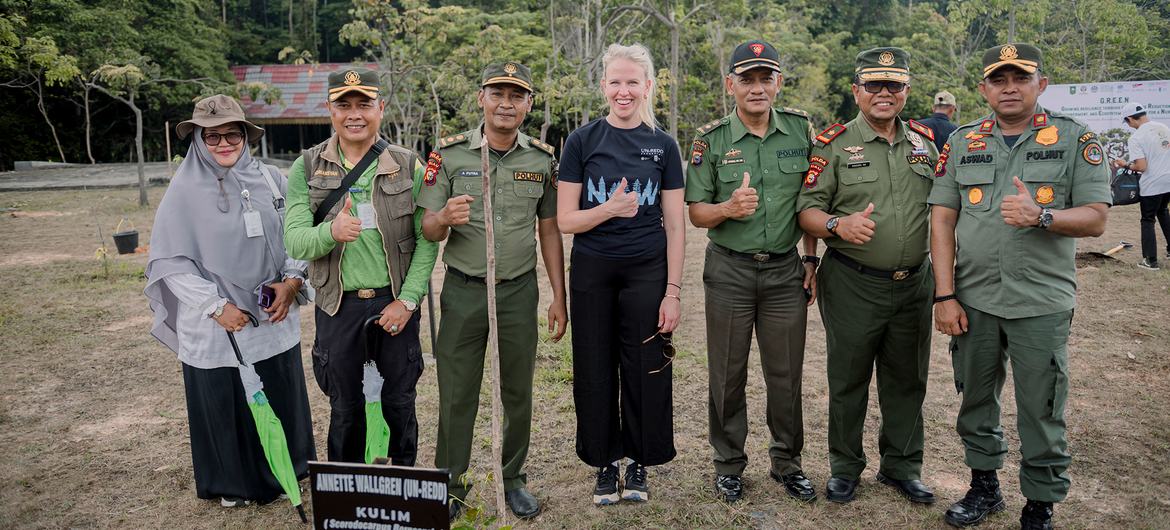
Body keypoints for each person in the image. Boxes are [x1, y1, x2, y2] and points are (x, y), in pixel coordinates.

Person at [928, 43, 1110, 529]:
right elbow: (942, 221)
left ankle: (1040, 502)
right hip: (974, 298)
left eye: (1020, 78)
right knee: (975, 398)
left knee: (1041, 406)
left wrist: (1042, 216)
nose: (1010, 88)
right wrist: (944, 295)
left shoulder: (1074, 139)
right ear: (984, 88)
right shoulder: (964, 141)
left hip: (1040, 302)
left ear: (1040, 85)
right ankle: (984, 486)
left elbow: (1095, 219)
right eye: (999, 80)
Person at [145, 94, 315, 507]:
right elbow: (171, 260)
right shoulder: (183, 192)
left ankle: (289, 468)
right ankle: (235, 485)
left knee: (279, 388)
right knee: (227, 402)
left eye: (232, 134)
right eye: (213, 135)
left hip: (272, 315)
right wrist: (215, 307)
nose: (224, 144)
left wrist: (292, 281)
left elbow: (299, 232)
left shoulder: (272, 179)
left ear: (245, 136)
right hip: (217, 324)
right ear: (199, 140)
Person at [418, 61, 566, 520]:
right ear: (481, 97)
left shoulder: (541, 159)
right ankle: (451, 482)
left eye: (517, 96)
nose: (507, 104)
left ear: (528, 105)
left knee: (518, 390)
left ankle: (513, 478)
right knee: (457, 391)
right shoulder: (449, 155)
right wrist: (443, 218)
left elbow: (549, 231)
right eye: (498, 94)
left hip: (518, 291)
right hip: (463, 290)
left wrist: (560, 295)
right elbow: (426, 228)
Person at [797, 47, 939, 506]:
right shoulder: (832, 144)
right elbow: (807, 210)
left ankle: (901, 467)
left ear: (906, 92)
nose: (884, 93)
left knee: (907, 379)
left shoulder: (925, 143)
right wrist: (838, 225)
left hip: (915, 282)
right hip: (853, 282)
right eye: (873, 85)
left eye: (893, 85)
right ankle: (845, 467)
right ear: (856, 91)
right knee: (849, 378)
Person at [685, 39, 819, 504]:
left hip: (785, 271)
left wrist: (811, 257)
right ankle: (728, 464)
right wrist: (728, 207)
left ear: (778, 83)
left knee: (786, 374)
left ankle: (787, 462)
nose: (757, 88)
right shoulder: (711, 139)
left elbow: (811, 202)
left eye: (766, 78)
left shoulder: (802, 131)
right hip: (729, 272)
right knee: (727, 373)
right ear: (731, 85)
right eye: (747, 79)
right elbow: (697, 214)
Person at [283, 67, 439, 465]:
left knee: (399, 405)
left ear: (380, 108)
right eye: (344, 105)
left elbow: (427, 241)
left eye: (364, 104)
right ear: (330, 110)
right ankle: (347, 500)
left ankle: (403, 497)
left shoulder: (407, 165)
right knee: (346, 410)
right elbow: (295, 239)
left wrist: (407, 301)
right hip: (338, 306)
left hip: (394, 305)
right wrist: (331, 232)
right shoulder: (307, 166)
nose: (355, 114)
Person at [557, 43, 685, 506]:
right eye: (616, 81)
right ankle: (604, 463)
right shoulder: (582, 141)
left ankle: (639, 462)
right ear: (603, 86)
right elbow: (566, 221)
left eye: (633, 82)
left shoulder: (663, 145)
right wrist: (608, 209)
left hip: (647, 272)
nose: (624, 90)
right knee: (594, 366)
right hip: (592, 270)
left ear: (648, 86)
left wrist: (672, 291)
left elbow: (674, 224)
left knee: (645, 366)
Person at [1111, 102, 1170, 270]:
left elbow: (1141, 167)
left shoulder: (1136, 137)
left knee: (1147, 219)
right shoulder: (1163, 128)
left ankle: (1150, 261)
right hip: (1169, 181)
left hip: (1152, 184)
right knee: (1163, 211)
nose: (1129, 126)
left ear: (1130, 119)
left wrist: (1125, 165)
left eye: (1127, 122)